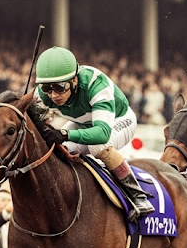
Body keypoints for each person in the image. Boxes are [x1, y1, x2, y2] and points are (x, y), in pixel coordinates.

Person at [32, 46, 153, 221]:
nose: (53, 94)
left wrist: (65, 134)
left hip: (118, 121)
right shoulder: (43, 95)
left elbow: (102, 133)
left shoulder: (95, 84)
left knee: (97, 145)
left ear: (74, 80)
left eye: (59, 87)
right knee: (58, 149)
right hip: (83, 123)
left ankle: (137, 195)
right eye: (46, 88)